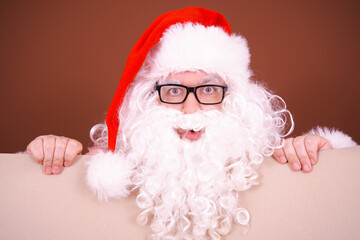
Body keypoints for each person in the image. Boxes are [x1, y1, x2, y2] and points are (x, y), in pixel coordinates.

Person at [26, 7, 357, 240]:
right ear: (146, 100)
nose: (190, 108)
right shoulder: (117, 165)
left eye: (209, 89)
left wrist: (322, 152)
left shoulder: (273, 156)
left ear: (239, 100)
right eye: (172, 90)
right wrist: (55, 151)